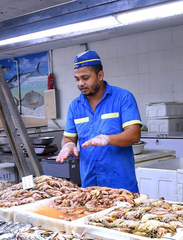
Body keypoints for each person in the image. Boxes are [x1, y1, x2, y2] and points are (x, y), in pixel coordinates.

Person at [56, 50, 142, 192]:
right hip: (90, 187)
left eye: (85, 78)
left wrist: (107, 139)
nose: (80, 84)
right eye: (77, 79)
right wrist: (68, 145)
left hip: (122, 186)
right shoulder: (75, 106)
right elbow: (68, 137)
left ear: (100, 75)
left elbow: (134, 134)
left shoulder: (123, 98)